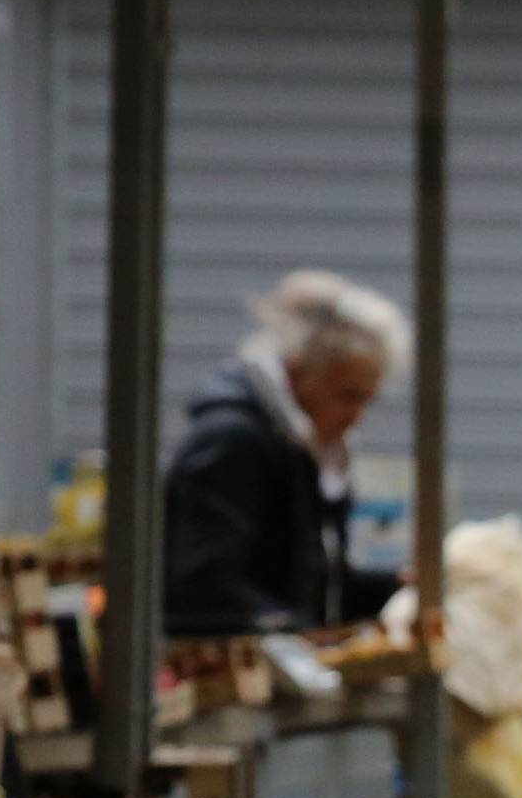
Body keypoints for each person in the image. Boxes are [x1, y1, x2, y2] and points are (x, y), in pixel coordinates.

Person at [163, 269, 410, 635]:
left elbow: (316, 584)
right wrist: (296, 636)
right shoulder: (233, 442)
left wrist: (397, 586)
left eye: (366, 402)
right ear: (297, 375)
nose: (357, 417)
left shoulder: (304, 449)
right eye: (347, 397)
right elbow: (206, 584)